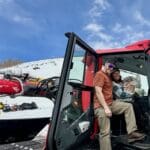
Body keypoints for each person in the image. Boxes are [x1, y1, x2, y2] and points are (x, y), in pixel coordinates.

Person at [93, 62, 145, 150]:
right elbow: (98, 92)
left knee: (128, 106)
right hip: (101, 106)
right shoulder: (99, 75)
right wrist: (106, 108)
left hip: (111, 103)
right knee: (105, 132)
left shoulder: (108, 77)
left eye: (112, 68)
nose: (111, 69)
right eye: (109, 66)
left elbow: (121, 87)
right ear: (104, 65)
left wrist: (128, 87)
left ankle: (131, 133)